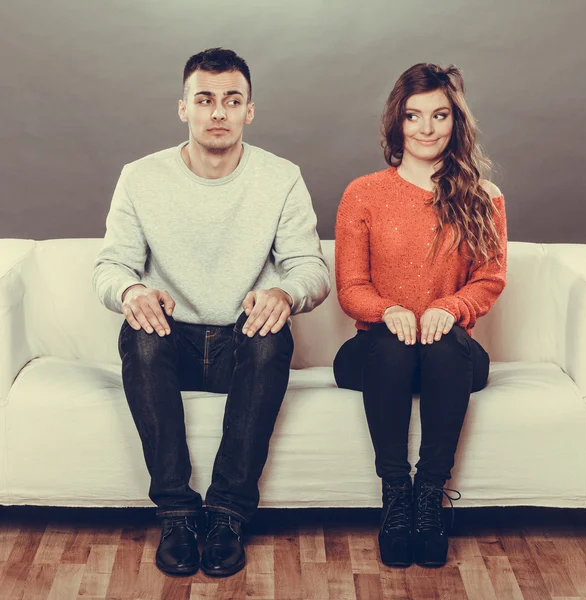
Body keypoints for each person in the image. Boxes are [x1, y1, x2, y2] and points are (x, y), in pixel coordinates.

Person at [92, 47, 330, 578]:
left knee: (273, 333)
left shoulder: (282, 177)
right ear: (184, 109)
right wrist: (132, 291)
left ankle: (226, 513)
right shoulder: (140, 176)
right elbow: (109, 266)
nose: (218, 112)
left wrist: (284, 294)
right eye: (205, 99)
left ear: (249, 110)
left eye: (231, 100)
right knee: (139, 330)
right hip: (171, 342)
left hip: (241, 343)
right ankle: (177, 512)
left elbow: (311, 269)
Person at [333, 63, 507, 569]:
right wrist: (387, 310)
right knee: (391, 343)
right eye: (414, 116)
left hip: (449, 355)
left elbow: (489, 280)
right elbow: (351, 287)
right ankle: (395, 494)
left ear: (456, 121)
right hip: (374, 351)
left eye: (440, 115)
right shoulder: (362, 193)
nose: (427, 128)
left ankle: (430, 496)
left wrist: (447, 308)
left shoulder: (483, 197)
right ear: (397, 122)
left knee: (442, 343)